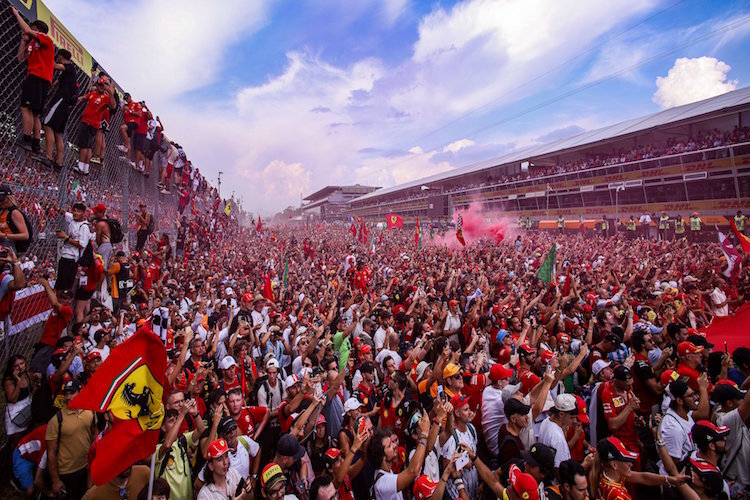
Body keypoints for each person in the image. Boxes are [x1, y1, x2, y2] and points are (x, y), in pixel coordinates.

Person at [11, 6, 55, 154]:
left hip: (38, 77)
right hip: (38, 78)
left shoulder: (46, 40)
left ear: (38, 29)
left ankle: (27, 138)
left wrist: (17, 14)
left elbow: (30, 31)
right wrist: (23, 41)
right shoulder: (31, 44)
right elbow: (20, 58)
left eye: (33, 28)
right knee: (35, 113)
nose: (30, 31)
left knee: (26, 108)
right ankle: (36, 143)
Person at [370, 412, 440, 500]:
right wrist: (424, 435)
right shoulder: (383, 483)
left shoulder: (387, 471)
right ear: (382, 456)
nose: (395, 446)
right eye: (389, 446)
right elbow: (412, 472)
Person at [45, 379, 96, 499]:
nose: (68, 397)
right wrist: (55, 480)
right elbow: (51, 453)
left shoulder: (90, 411)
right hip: (67, 472)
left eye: (72, 393)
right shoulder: (56, 420)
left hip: (85, 468)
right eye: (66, 393)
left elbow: (94, 433)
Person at [41, 49, 76, 170]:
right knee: (57, 132)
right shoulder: (67, 75)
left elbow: (55, 66)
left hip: (61, 101)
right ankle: (59, 162)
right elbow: (55, 84)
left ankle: (49, 156)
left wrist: (46, 56)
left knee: (47, 124)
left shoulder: (70, 67)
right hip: (65, 104)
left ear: (61, 57)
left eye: (59, 57)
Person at [73, 73, 114, 175]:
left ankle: (81, 165)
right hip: (87, 121)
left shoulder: (105, 97)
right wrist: (79, 99)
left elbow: (113, 106)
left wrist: (110, 92)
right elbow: (84, 97)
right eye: (99, 85)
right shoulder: (93, 94)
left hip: (91, 123)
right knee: (87, 146)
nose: (100, 87)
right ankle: (85, 168)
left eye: (102, 85)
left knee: (84, 146)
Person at [55, 202, 91, 292]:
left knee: (65, 288)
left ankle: (63, 303)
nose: (75, 213)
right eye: (74, 211)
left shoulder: (84, 227)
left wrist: (66, 237)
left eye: (78, 211)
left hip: (72, 258)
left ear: (83, 213)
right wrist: (57, 208)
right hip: (64, 256)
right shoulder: (72, 219)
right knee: (59, 285)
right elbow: (64, 213)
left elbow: (81, 245)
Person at [539, 394, 577, 468]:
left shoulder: (546, 421)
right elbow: (558, 468)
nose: (575, 421)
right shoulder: (557, 438)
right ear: (561, 414)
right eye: (572, 418)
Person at [82, 465, 151, 499]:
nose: (126, 464)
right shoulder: (93, 495)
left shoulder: (145, 474)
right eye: (120, 460)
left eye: (128, 457)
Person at [0, 184, 31, 255]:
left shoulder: (14, 213)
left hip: (9, 244)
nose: (0, 202)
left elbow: (25, 235)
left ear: (9, 198)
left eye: (2, 200)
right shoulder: (3, 211)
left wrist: (4, 236)